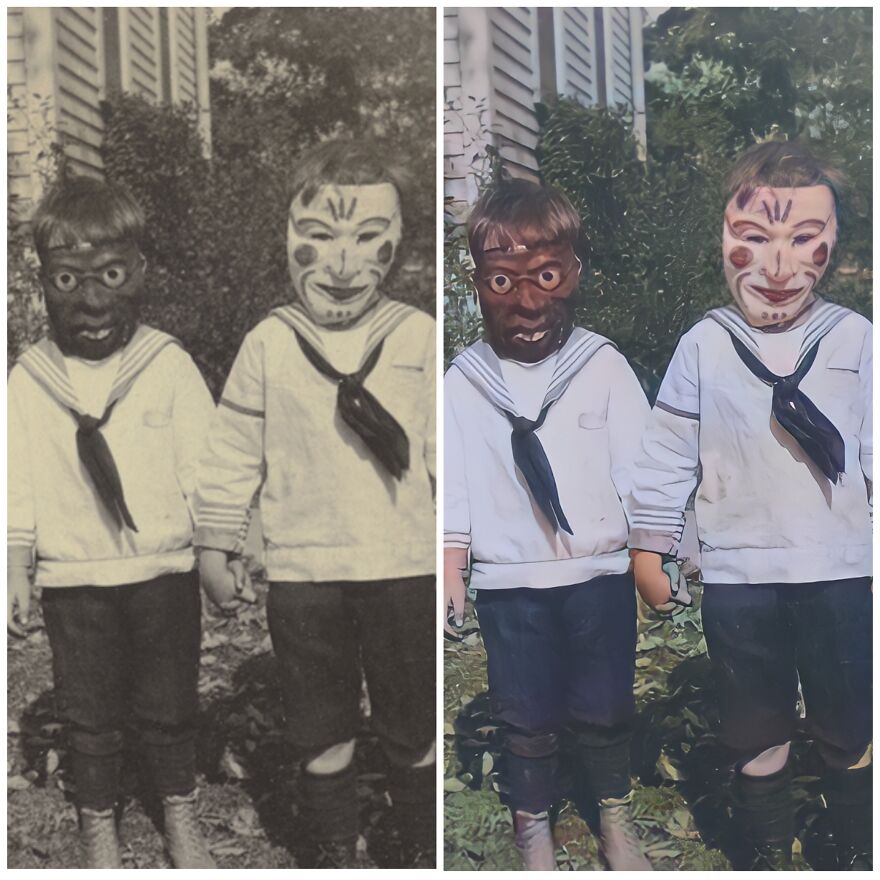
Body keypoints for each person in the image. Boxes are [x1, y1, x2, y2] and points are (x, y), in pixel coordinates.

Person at [629, 142, 872, 870]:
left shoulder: (856, 340)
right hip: (740, 578)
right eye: (755, 239)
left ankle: (852, 839)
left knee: (849, 714)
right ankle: (765, 847)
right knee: (754, 721)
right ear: (723, 241)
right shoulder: (705, 345)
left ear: (833, 245)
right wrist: (650, 546)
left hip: (838, 570)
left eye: (802, 240)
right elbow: (668, 449)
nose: (775, 267)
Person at [194, 139, 436, 868]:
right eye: (319, 237)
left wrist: (462, 543)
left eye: (367, 238)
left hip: (403, 563)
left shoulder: (418, 336)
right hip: (305, 575)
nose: (339, 264)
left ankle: (419, 843)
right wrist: (214, 541)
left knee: (411, 716)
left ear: (399, 245)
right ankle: (334, 848)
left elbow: (443, 448)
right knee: (320, 723)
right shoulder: (270, 343)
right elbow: (233, 447)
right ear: (287, 239)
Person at [7, 177, 216, 869]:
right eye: (69, 280)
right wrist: (15, 564)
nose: (92, 301)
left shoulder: (167, 366)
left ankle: (178, 814)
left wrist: (222, 545)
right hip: (76, 580)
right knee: (88, 713)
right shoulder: (30, 381)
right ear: (43, 284)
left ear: (140, 274)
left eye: (112, 276)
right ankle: (99, 826)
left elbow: (205, 469)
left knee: (167, 703)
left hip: (162, 573)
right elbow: (17, 484)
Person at [444, 178, 653, 870]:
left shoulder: (602, 367)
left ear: (575, 275)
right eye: (503, 280)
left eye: (546, 276)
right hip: (512, 585)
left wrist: (659, 552)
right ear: (478, 283)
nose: (528, 302)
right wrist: (452, 568)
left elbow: (641, 471)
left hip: (597, 576)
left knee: (603, 705)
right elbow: (456, 490)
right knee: (525, 714)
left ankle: (613, 817)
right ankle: (531, 824)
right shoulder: (464, 383)